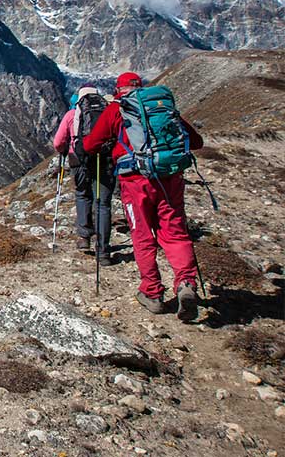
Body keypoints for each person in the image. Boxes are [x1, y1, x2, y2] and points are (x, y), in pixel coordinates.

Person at [81, 72, 204, 321]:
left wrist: (110, 146)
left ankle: (152, 292)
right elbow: (196, 141)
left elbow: (90, 144)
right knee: (176, 232)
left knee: (142, 234)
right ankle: (186, 282)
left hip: (135, 182)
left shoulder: (118, 109)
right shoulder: (160, 107)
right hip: (170, 179)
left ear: (118, 89)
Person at [53, 85, 114, 264]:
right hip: (104, 160)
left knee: (82, 195)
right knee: (103, 204)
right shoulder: (108, 111)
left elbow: (58, 142)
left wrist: (65, 150)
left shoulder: (72, 114)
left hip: (78, 161)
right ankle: (103, 250)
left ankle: (84, 238)